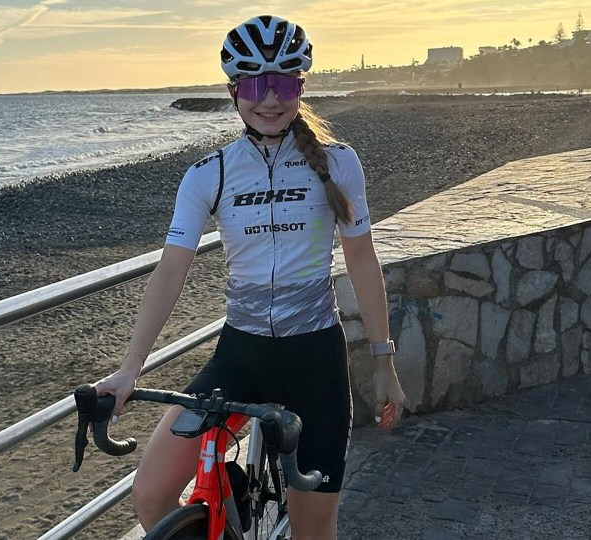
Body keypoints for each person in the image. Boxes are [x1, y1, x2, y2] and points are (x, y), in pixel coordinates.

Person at [93, 14, 407, 540]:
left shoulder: (339, 163)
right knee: (150, 492)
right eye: (255, 84)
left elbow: (361, 262)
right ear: (233, 90)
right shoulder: (209, 172)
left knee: (313, 530)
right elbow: (172, 270)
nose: (269, 98)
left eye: (283, 83)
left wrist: (383, 363)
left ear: (300, 87)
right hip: (239, 358)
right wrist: (130, 369)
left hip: (315, 365)